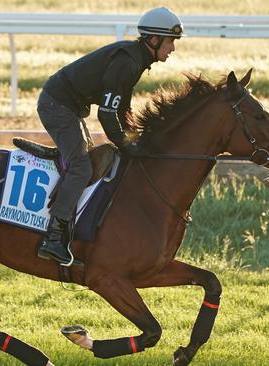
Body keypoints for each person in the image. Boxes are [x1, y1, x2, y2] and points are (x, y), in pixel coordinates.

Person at [36, 7, 184, 265]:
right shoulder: (128, 61)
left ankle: (74, 233)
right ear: (153, 39)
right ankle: (53, 238)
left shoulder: (136, 60)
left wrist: (135, 137)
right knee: (81, 167)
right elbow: (107, 115)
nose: (172, 48)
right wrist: (126, 144)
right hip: (56, 105)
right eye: (170, 41)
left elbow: (122, 109)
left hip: (68, 106)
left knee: (91, 162)